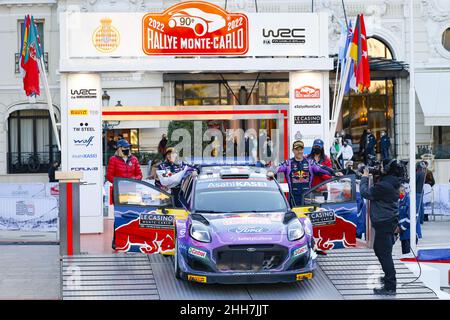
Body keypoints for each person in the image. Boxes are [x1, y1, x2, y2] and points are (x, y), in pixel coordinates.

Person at [360, 158, 404, 295]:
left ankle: (390, 287)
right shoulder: (390, 182)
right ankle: (388, 279)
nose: (381, 168)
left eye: (383, 167)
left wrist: (364, 178)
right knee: (381, 251)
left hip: (385, 223)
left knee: (384, 254)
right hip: (386, 222)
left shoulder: (384, 186)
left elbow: (365, 193)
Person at [277, 140, 339, 207]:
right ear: (293, 150)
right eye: (297, 149)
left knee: (307, 216)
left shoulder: (310, 163)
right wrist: (270, 172)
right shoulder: (288, 163)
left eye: (301, 149)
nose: (299, 152)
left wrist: (335, 173)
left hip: (307, 198)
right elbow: (276, 169)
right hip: (293, 199)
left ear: (303, 150)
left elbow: (323, 168)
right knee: (294, 216)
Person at [398, 185, 422, 255]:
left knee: (409, 255)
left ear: (402, 191)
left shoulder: (409, 200)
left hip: (410, 234)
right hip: (404, 234)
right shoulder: (400, 201)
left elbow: (411, 218)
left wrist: (401, 228)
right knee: (405, 254)